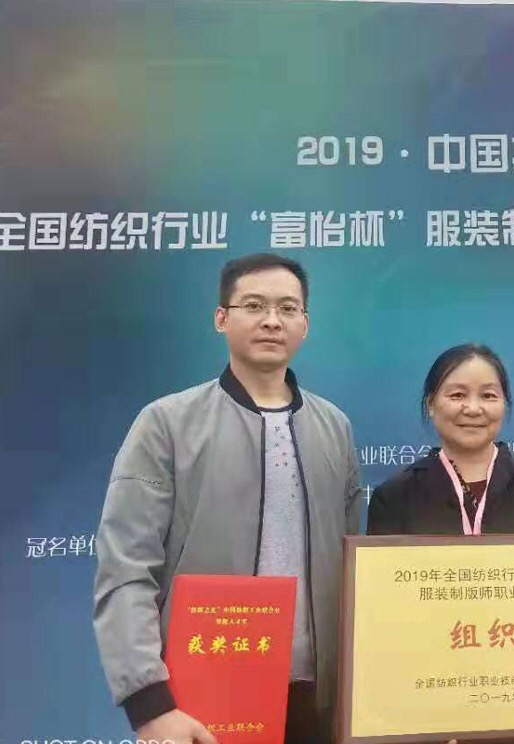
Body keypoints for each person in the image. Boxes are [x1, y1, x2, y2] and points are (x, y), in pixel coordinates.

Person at [93, 253, 363, 744]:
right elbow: (126, 567)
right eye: (253, 305)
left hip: (319, 701)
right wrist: (150, 704)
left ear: (305, 324)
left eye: (288, 308)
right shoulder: (167, 423)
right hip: (200, 699)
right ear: (221, 318)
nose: (272, 320)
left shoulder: (335, 428)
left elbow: (352, 568)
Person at [367, 343, 514, 535]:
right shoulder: (394, 496)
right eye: (457, 395)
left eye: (488, 396)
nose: (473, 409)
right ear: (430, 404)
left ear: (504, 403)